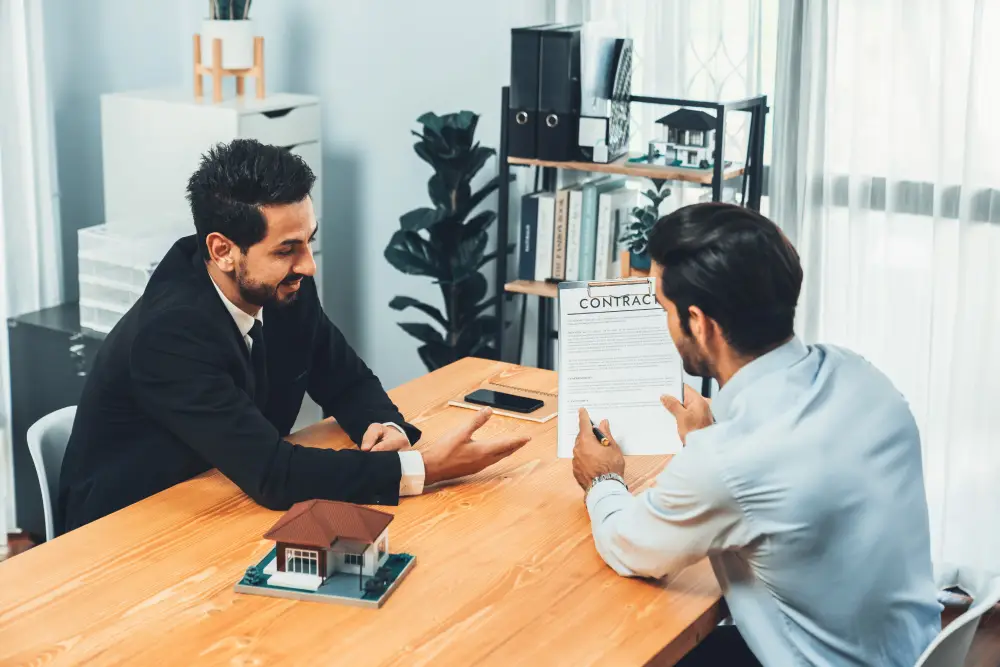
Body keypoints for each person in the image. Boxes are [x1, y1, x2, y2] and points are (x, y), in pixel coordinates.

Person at [57, 139, 529, 534]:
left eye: (308, 241)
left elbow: (345, 380)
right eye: (287, 249)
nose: (308, 265)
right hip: (128, 531)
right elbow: (273, 474)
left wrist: (384, 427)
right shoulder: (170, 334)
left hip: (218, 499)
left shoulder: (281, 285)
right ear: (222, 250)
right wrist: (423, 468)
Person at [571, 203, 940, 666]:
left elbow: (631, 547)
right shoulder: (861, 376)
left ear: (701, 324)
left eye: (664, 308)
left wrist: (602, 479)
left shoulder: (729, 461)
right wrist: (707, 437)